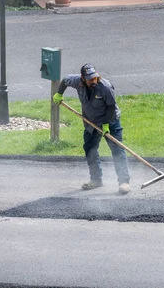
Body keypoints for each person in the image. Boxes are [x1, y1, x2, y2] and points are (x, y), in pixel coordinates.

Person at [52, 63, 131, 195]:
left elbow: (111, 107)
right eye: (90, 79)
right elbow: (65, 80)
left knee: (117, 149)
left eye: (94, 78)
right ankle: (96, 179)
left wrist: (106, 124)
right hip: (91, 121)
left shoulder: (105, 87)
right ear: (83, 78)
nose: (93, 81)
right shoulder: (77, 81)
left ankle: (124, 182)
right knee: (90, 148)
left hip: (110, 120)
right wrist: (59, 93)